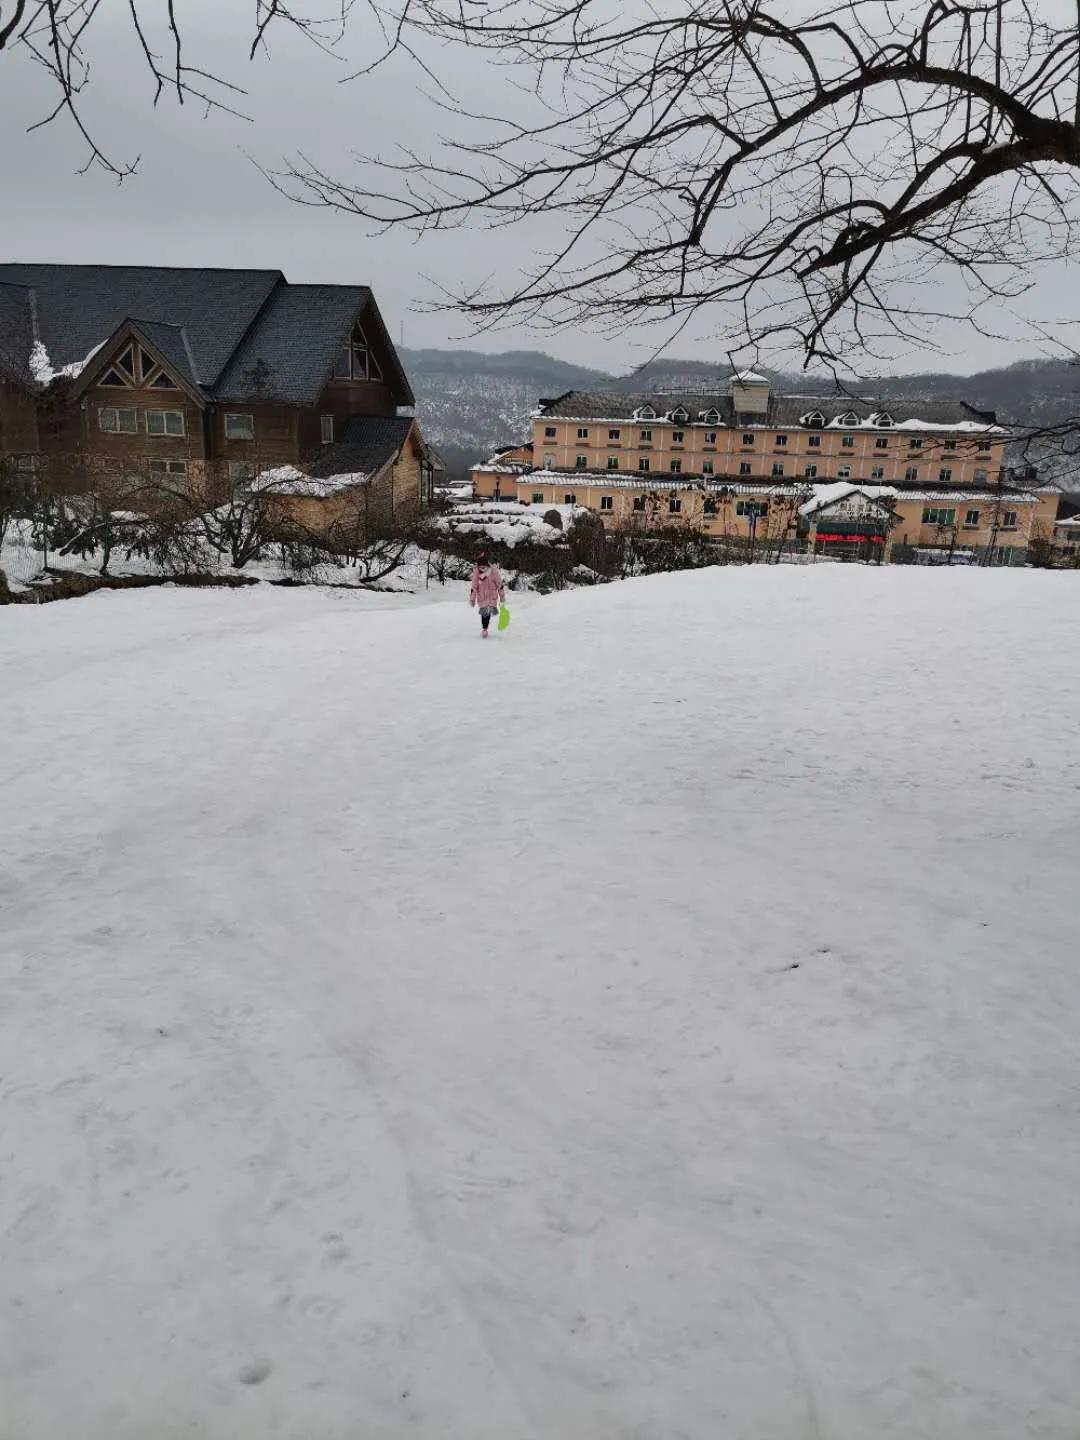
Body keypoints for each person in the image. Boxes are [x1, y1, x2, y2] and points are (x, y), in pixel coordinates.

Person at [469, 552, 506, 638]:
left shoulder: (494, 572)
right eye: (480, 567)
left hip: (492, 596)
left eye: (484, 567)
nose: (482, 569)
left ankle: (485, 627)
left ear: (487, 565)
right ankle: (485, 629)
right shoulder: (477, 573)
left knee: (488, 613)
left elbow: (500, 585)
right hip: (482, 597)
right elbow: (474, 587)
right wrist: (472, 599)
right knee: (485, 614)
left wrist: (502, 596)